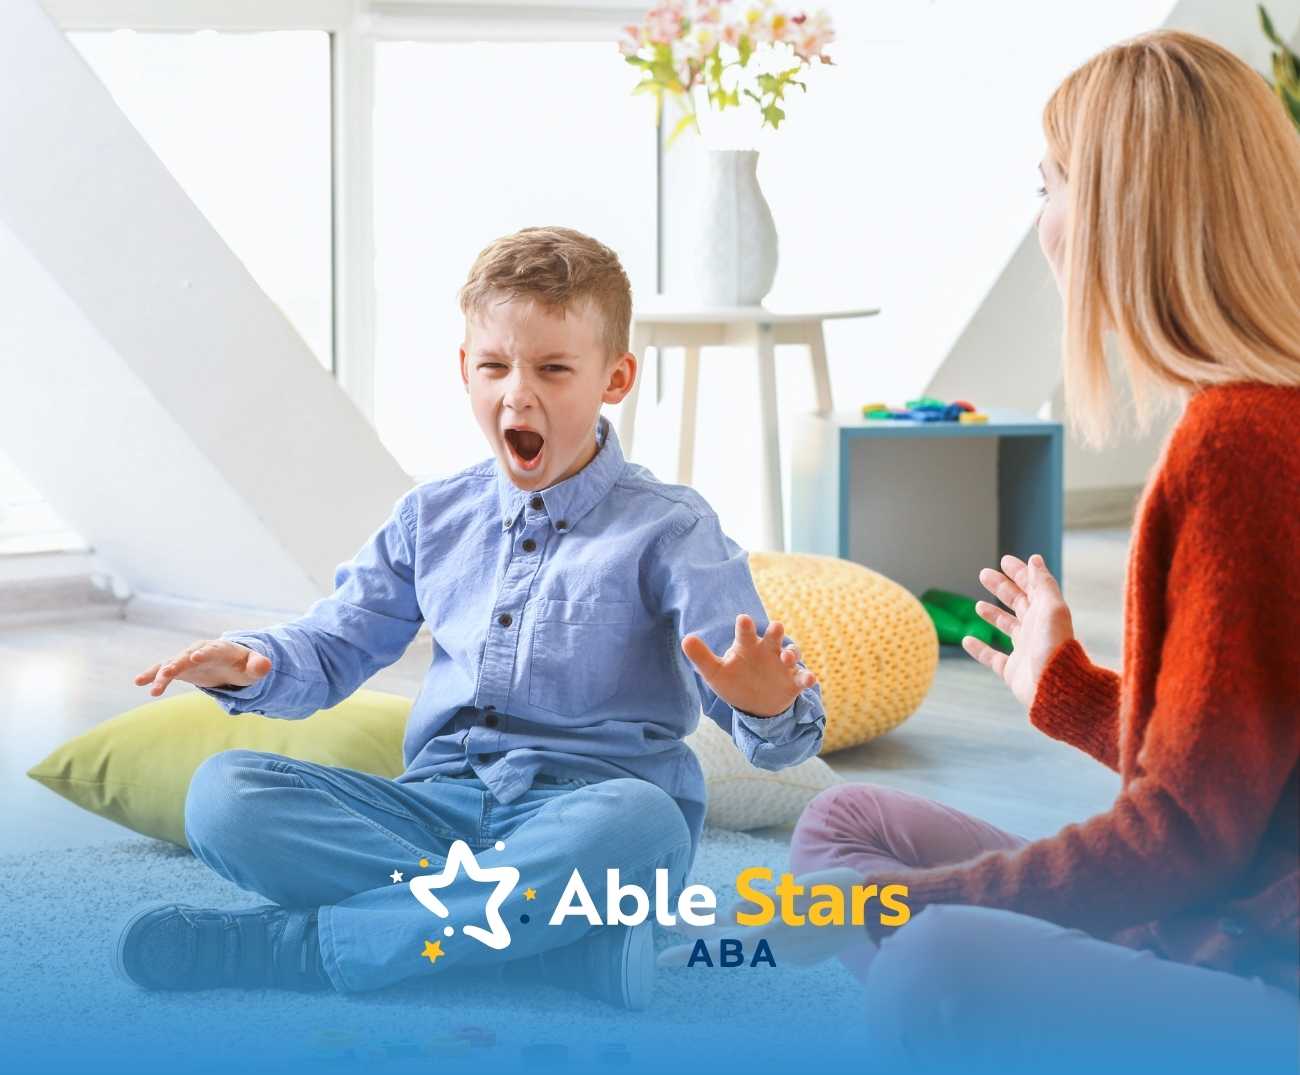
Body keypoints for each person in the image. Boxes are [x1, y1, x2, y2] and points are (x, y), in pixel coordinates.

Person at [662, 30, 1299, 1071]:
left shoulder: (1239, 445)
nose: (1042, 220)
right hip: (1220, 910)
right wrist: (1070, 688)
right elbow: (1240, 769)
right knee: (849, 819)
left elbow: (1187, 836)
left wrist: (902, 906)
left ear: (1119, 212)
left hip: (1261, 975)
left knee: (933, 960)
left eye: (1048, 184)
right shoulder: (1265, 420)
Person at [112, 226, 825, 1011]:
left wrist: (766, 703)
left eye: (554, 368)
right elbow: (337, 637)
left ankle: (307, 946)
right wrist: (255, 662)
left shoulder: (673, 528)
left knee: (647, 824)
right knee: (224, 795)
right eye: (494, 366)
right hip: (427, 815)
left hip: (586, 818)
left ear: (614, 377)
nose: (518, 393)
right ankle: (544, 946)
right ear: (465, 370)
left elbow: (778, 729)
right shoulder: (432, 515)